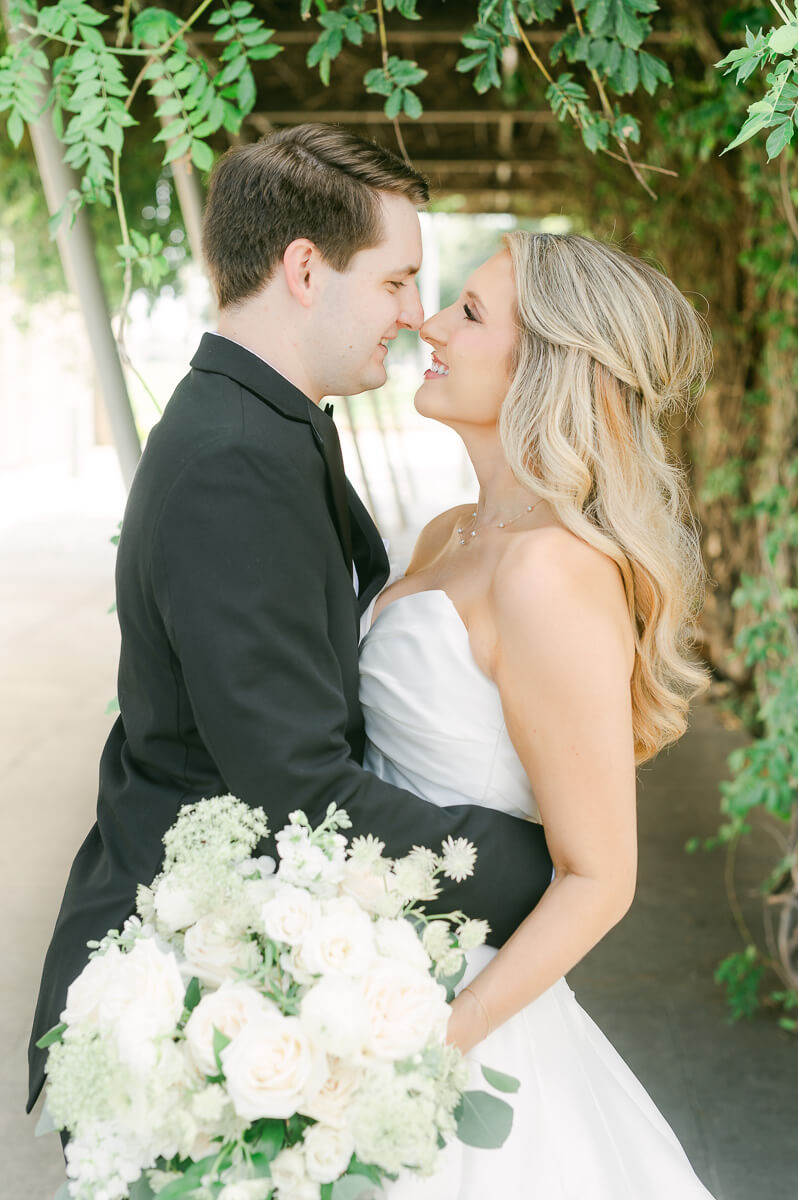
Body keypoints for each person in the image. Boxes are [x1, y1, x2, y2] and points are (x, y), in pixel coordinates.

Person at [26, 126, 554, 1113]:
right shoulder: (237, 458)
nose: (415, 313)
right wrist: (540, 869)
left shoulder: (261, 421)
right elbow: (299, 786)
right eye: (397, 280)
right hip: (187, 986)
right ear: (306, 269)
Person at [358, 233, 716, 1197]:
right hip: (366, 955)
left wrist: (440, 1040)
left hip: (455, 1006)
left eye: (469, 314)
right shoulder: (451, 530)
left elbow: (599, 876)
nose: (428, 325)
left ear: (550, 369)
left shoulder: (554, 572)